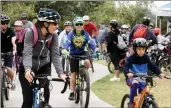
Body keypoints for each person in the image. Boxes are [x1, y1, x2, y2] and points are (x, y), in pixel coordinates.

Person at [19, 8, 66, 108]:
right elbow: (27, 53)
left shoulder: (54, 36)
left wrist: (61, 73)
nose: (57, 26)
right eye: (55, 23)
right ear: (45, 24)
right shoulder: (31, 33)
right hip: (28, 67)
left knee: (46, 93)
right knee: (27, 101)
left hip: (44, 66)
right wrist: (27, 70)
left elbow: (55, 55)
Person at [123, 38, 166, 108]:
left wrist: (159, 73)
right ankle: (131, 103)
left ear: (145, 49)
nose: (141, 51)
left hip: (143, 79)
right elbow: (125, 67)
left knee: (145, 96)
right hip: (132, 78)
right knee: (135, 83)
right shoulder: (131, 58)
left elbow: (152, 66)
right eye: (139, 49)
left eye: (143, 49)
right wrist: (127, 73)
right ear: (135, 49)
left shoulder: (146, 57)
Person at [64, 17, 96, 100]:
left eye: (81, 24)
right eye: (77, 24)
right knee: (73, 73)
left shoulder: (85, 34)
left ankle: (84, 74)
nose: (79, 26)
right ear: (74, 25)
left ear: (83, 25)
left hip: (83, 52)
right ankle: (71, 92)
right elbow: (66, 43)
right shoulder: (71, 34)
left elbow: (91, 43)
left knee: (88, 62)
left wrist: (94, 48)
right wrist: (65, 50)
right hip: (73, 54)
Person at [1, 14, 16, 90]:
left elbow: (13, 41)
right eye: (3, 23)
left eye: (7, 23)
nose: (5, 25)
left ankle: (12, 81)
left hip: (8, 53)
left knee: (9, 68)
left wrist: (14, 49)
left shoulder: (11, 31)